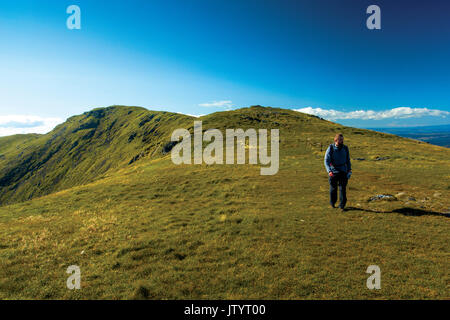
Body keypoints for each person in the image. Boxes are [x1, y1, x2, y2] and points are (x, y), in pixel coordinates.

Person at [324, 133, 352, 211]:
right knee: (333, 188)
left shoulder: (345, 148)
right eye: (340, 140)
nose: (342, 141)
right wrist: (329, 170)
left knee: (342, 188)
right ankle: (332, 203)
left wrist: (349, 170)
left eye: (342, 140)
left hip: (343, 171)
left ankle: (342, 205)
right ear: (335, 140)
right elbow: (326, 160)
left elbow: (348, 160)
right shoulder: (331, 148)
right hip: (333, 171)